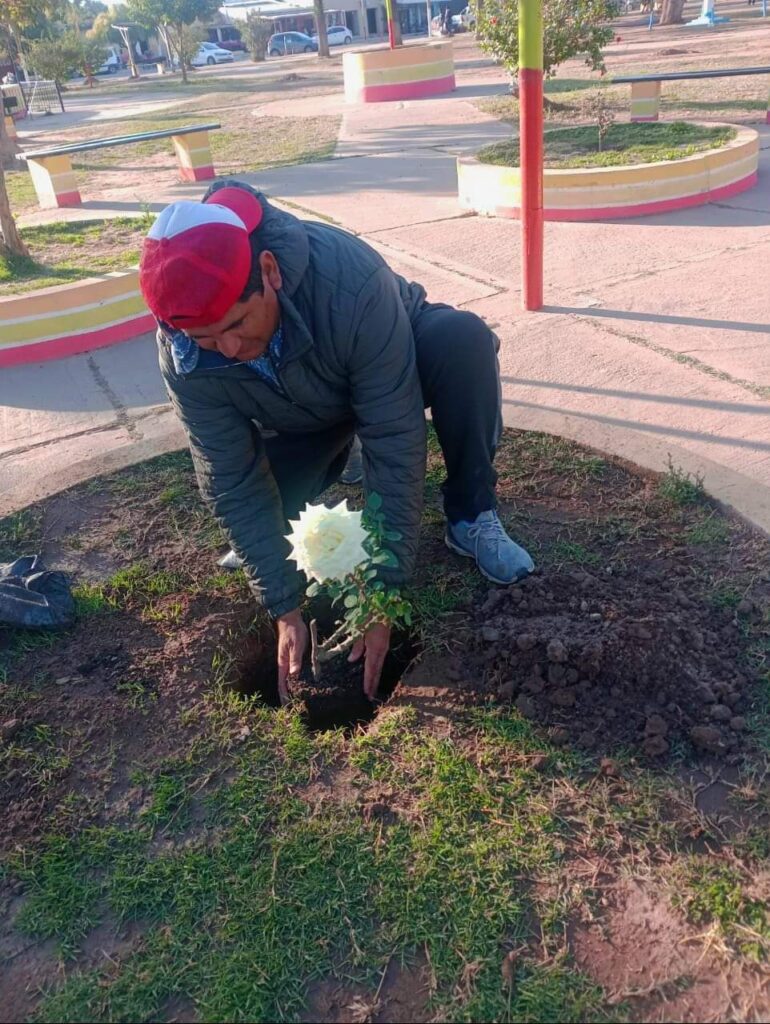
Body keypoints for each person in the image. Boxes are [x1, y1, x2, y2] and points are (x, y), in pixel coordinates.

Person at [138, 180, 534, 703]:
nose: (230, 349)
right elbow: (228, 475)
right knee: (264, 524)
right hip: (299, 409)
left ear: (269, 273)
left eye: (237, 323)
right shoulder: (183, 355)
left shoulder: (350, 281)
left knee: (463, 340)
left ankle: (470, 515)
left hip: (394, 361)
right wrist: (282, 604)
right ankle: (330, 460)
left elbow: (394, 433)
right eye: (208, 340)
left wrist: (384, 584)